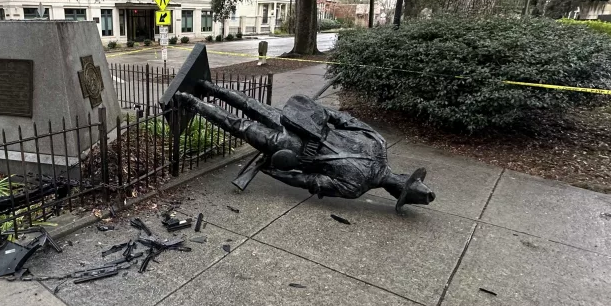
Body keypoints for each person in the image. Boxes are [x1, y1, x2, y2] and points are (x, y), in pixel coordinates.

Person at [163, 47, 435, 214]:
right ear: (394, 189)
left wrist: (279, 168)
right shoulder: (374, 147)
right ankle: (201, 92)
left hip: (294, 140)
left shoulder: (367, 163)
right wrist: (314, 121)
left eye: (400, 188)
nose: (396, 186)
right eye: (400, 188)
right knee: (246, 114)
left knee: (244, 117)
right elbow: (338, 122)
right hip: (301, 129)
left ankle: (195, 96)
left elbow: (309, 180)